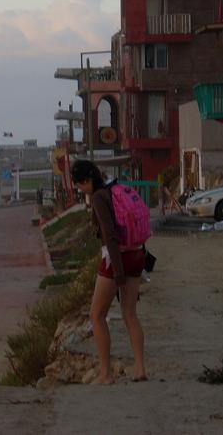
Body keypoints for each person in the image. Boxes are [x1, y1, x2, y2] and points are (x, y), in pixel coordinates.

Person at [70, 159, 147, 384]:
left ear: (87, 180)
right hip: (137, 254)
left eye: (79, 185)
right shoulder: (117, 188)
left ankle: (106, 374)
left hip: (116, 260)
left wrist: (118, 273)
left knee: (97, 315)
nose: (79, 190)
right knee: (130, 313)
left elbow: (109, 234)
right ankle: (140, 368)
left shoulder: (99, 197)